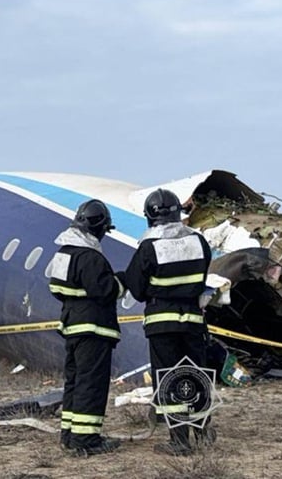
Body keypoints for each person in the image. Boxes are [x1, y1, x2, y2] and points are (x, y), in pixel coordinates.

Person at [123, 188, 214, 456]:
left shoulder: (149, 247)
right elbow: (202, 278)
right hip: (194, 322)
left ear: (150, 217)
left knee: (170, 379)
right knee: (196, 375)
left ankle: (180, 441)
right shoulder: (198, 242)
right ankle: (203, 430)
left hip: (163, 324)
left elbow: (136, 288)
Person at [48, 199, 124, 456]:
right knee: (92, 383)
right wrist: (121, 281)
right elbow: (105, 291)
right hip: (93, 329)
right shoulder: (90, 257)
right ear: (100, 228)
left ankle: (69, 434)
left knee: (75, 381)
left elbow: (56, 289)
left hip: (72, 327)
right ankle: (86, 440)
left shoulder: (63, 253)